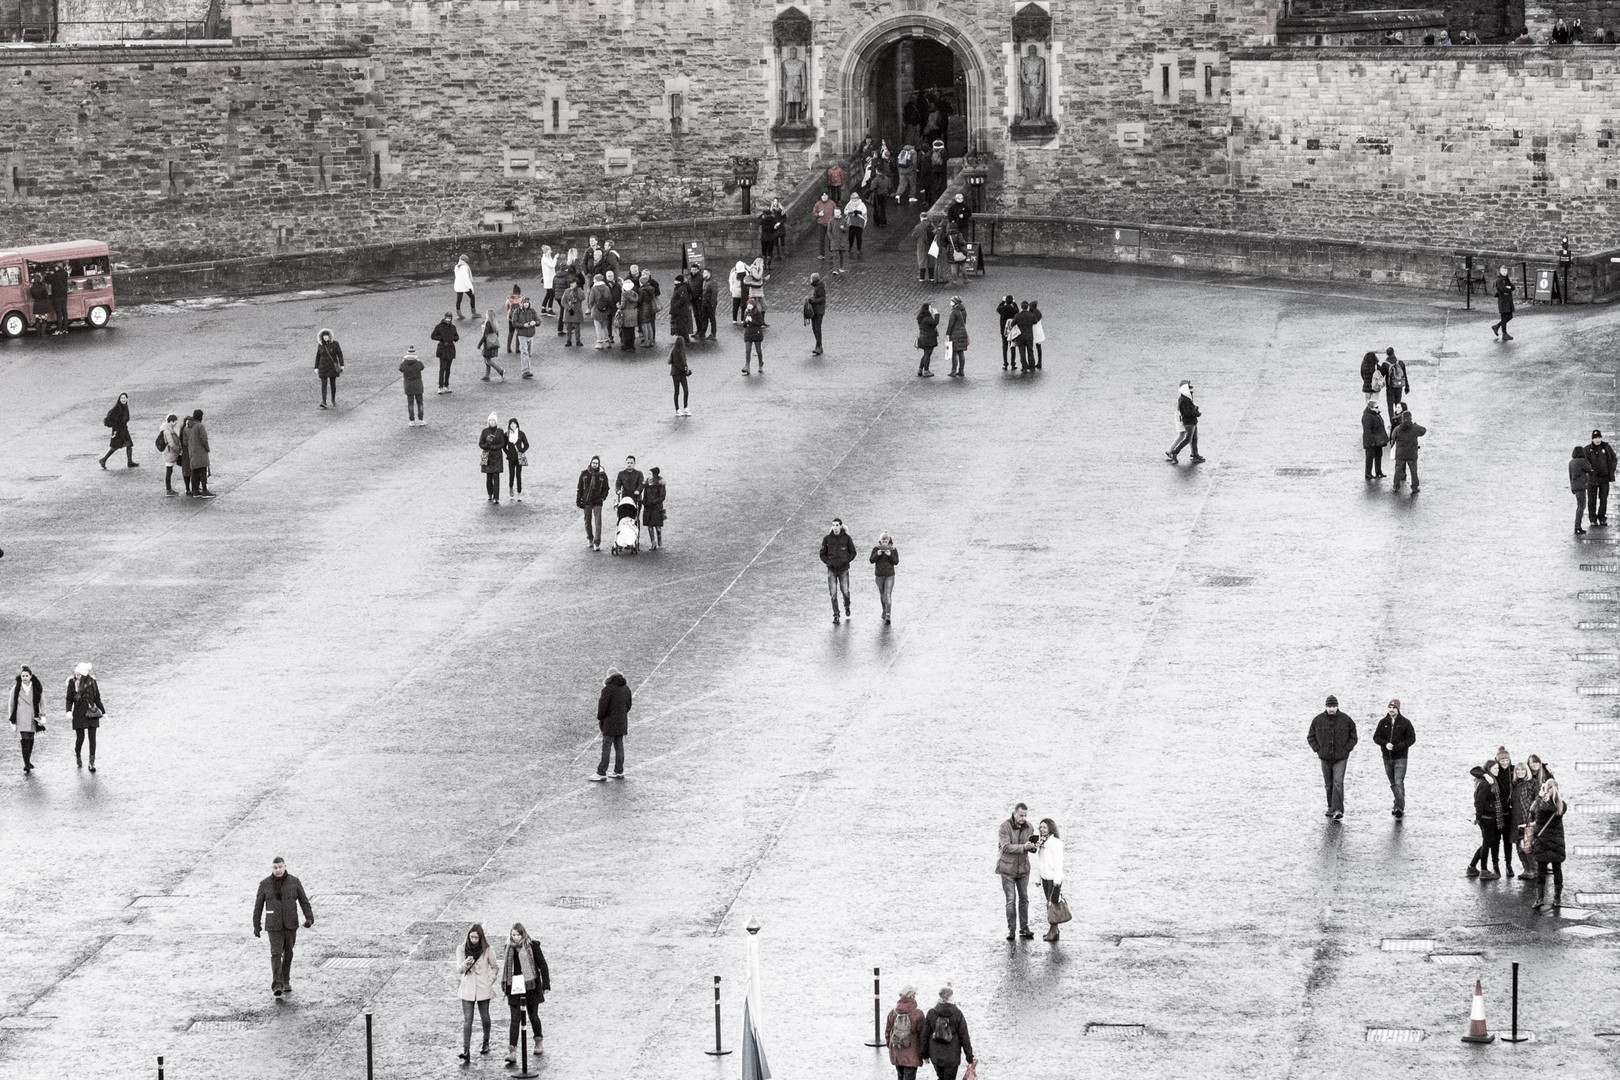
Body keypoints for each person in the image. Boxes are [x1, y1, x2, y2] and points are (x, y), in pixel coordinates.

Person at [252, 856, 314, 998]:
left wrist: (309, 918)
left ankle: (286, 980)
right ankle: (277, 985)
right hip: (273, 926)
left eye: (280, 867)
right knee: (275, 954)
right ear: (272, 868)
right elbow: (258, 906)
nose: (278, 870)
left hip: (291, 924)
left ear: (285, 866)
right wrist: (256, 925)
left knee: (289, 953)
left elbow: (304, 901)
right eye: (275, 867)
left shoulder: (294, 882)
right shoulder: (264, 884)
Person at [500, 924, 550, 1062]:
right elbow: (506, 969)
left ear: (523, 934)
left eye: (517, 935)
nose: (515, 937)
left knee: (533, 1015)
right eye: (513, 935)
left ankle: (538, 1040)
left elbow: (542, 965)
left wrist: (546, 985)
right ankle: (512, 1051)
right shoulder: (508, 948)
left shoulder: (532, 946)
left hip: (531, 986)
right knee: (515, 1019)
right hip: (514, 987)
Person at [1307, 695, 1356, 820]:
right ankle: (1330, 807)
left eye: (1333, 706)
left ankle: (1338, 810)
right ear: (1326, 707)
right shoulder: (1317, 720)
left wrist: (1346, 749)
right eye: (1329, 706)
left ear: (1337, 706)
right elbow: (1310, 737)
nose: (1331, 709)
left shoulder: (1346, 720)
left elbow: (1353, 737)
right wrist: (1318, 750)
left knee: (1338, 783)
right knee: (1328, 784)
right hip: (1325, 758)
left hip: (1341, 758)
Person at [996, 802, 1037, 941]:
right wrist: (1024, 847)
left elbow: (1030, 849)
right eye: (1021, 815)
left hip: (1023, 869)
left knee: (1024, 899)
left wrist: (1033, 847)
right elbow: (1006, 847)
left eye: (1025, 815)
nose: (1023, 818)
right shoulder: (1004, 827)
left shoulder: (1029, 827)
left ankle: (1024, 928)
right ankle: (1011, 930)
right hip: (1007, 869)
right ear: (1014, 813)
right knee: (1011, 900)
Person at [457, 923, 498, 1062]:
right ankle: (466, 1050)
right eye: (471, 937)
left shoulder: (487, 950)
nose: (473, 940)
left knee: (485, 1016)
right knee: (468, 1019)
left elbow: (495, 967)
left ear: (481, 938)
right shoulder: (461, 949)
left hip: (482, 987)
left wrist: (489, 981)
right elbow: (459, 970)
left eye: (476, 937)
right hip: (467, 988)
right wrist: (466, 964)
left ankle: (486, 1042)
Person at [1371, 699, 1415, 817]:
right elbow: (1376, 737)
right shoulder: (1383, 722)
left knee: (1398, 781)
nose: (1391, 710)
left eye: (1394, 707)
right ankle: (1398, 801)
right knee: (1393, 783)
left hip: (1401, 757)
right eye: (1389, 707)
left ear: (1398, 709)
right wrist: (1385, 744)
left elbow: (1412, 738)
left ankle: (1399, 807)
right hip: (1387, 757)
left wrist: (1401, 746)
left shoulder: (1405, 722)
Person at [1529, 778, 1566, 910]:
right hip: (1557, 842)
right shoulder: (1562, 805)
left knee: (1541, 871)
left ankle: (1540, 899)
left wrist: (1539, 796)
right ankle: (1557, 898)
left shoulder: (1540, 804)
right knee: (1557, 870)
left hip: (1543, 841)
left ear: (1546, 790)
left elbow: (1532, 811)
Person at [924, 987, 975, 1080]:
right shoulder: (957, 1013)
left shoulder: (931, 1013)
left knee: (940, 1077)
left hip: (935, 1054)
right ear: (951, 998)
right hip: (952, 1055)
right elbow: (964, 1037)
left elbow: (924, 1035)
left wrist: (924, 1055)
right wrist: (969, 1057)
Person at [592, 667, 631, 780]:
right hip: (622, 722)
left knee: (606, 747)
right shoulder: (626, 688)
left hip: (609, 723)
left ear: (609, 677)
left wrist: (601, 718)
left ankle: (601, 772)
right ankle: (619, 771)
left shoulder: (608, 689)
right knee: (619, 746)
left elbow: (602, 707)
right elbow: (628, 705)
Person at [1467, 760, 1504, 880]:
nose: (1498, 770)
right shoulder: (1486, 783)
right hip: (1486, 818)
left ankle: (1472, 867)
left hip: (1490, 817)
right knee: (1487, 844)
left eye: (1498, 768)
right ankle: (1483, 870)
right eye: (1495, 769)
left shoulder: (1492, 780)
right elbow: (1479, 802)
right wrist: (1478, 818)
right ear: (1488, 770)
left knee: (1487, 843)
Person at [64, 662, 103, 772]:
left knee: (92, 739)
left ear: (85, 675)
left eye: (79, 674)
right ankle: (78, 755)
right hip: (78, 713)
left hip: (91, 713)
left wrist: (103, 711)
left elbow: (97, 698)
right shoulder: (72, 683)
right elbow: (69, 699)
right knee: (80, 738)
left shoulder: (92, 682)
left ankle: (91, 762)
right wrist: (68, 711)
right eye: (76, 673)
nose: (77, 676)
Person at [885, 987, 927, 1080]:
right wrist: (924, 1053)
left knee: (900, 1076)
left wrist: (891, 1047)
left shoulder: (892, 1013)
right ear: (912, 996)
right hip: (911, 1052)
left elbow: (888, 1032)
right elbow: (923, 1035)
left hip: (896, 1050)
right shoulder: (918, 1014)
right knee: (910, 1076)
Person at [9, 665, 44, 775]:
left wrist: (43, 715)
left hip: (33, 716)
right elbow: (11, 704)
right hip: (21, 717)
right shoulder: (16, 688)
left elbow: (42, 702)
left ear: (30, 676)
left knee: (31, 739)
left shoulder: (36, 687)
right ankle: (26, 763)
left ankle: (28, 760)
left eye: (26, 676)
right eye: (23, 675)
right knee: (25, 739)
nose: (24, 678)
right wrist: (11, 719)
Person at [820, 518, 856, 624]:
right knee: (833, 593)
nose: (835, 527)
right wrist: (828, 562)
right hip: (832, 570)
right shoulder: (827, 539)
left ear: (840, 526)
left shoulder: (847, 539)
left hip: (843, 569)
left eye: (837, 525)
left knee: (845, 591)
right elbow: (822, 553)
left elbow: (853, 552)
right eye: (833, 525)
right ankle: (836, 614)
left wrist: (846, 560)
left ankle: (847, 605)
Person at [1033, 817, 1064, 941]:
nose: (1042, 829)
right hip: (1045, 878)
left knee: (1052, 904)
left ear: (1050, 828)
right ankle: (1054, 930)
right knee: (1049, 904)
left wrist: (1057, 880)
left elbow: (1059, 862)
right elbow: (1040, 862)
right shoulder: (1042, 843)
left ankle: (1053, 930)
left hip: (1053, 879)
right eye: (1040, 827)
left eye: (1044, 827)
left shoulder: (1056, 843)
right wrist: (1038, 878)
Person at [1492, 746, 1519, 877]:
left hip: (1508, 812)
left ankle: (1508, 865)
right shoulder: (1494, 771)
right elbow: (1476, 771)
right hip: (1496, 813)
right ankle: (1495, 866)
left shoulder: (1513, 770)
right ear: (1497, 761)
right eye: (1502, 760)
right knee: (1495, 841)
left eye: (1507, 760)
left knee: (1508, 841)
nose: (1505, 763)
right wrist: (1485, 774)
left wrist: (1545, 765)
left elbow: (1529, 767)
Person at [1165, 381, 1204, 464]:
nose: (1191, 390)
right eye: (1189, 388)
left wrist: (1195, 410)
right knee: (1188, 439)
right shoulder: (1185, 399)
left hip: (1191, 422)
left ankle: (1195, 455)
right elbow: (1187, 412)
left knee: (1193, 439)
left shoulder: (1186, 398)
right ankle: (1175, 452)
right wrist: (1196, 412)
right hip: (1189, 422)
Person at [576, 456, 609, 551]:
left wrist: (603, 497)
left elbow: (606, 488)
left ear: (599, 464)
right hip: (587, 501)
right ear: (590, 463)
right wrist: (579, 501)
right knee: (587, 522)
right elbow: (580, 488)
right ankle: (590, 538)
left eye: (597, 463)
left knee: (598, 522)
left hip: (597, 501)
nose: (595, 465)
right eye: (593, 463)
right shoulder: (584, 474)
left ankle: (597, 542)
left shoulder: (603, 475)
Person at [1391, 409, 1427, 494]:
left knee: (1398, 470)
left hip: (1400, 454)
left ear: (1402, 419)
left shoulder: (1398, 429)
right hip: (1412, 454)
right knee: (1413, 471)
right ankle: (1415, 487)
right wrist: (1415, 424)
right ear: (1411, 418)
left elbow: (1393, 437)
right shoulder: (1415, 428)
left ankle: (1396, 486)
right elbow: (1423, 430)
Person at [99, 393, 139, 469]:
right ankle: (103, 460)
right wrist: (115, 431)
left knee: (129, 445)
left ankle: (129, 462)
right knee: (115, 447)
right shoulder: (117, 408)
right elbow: (112, 418)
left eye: (124, 398)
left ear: (127, 399)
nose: (123, 399)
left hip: (124, 430)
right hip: (118, 431)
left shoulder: (125, 407)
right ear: (119, 399)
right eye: (122, 398)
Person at [1586, 430, 1616, 527]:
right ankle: (1592, 519)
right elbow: (1584, 463)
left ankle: (1602, 517)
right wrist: (1590, 472)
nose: (1597, 440)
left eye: (1599, 437)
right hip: (1592, 479)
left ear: (1601, 438)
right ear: (1592, 439)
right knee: (1592, 499)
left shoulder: (1606, 447)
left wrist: (1611, 469)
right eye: (1595, 438)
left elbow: (1614, 458)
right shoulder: (1587, 449)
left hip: (1604, 478)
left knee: (1603, 499)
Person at [183, 409, 213, 498]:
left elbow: (185, 441)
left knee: (194, 472)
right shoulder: (200, 426)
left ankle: (195, 491)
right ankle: (204, 490)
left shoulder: (187, 427)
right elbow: (204, 439)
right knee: (203, 471)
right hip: (200, 452)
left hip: (191, 452)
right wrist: (207, 448)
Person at [477, 415, 506, 505]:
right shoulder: (485, 431)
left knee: (496, 477)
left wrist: (493, 447)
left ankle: (496, 497)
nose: (492, 422)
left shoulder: (500, 431)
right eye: (490, 420)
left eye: (493, 420)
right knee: (489, 477)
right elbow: (481, 444)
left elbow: (502, 443)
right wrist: (487, 444)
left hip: (497, 456)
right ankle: (490, 494)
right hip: (488, 457)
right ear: (488, 422)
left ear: (496, 422)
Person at [870, 532, 898, 624]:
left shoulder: (893, 549)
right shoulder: (876, 549)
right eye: (883, 540)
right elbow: (871, 560)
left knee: (888, 594)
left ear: (889, 540)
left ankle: (888, 614)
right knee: (882, 595)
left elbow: (896, 562)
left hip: (890, 575)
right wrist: (877, 554)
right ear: (880, 541)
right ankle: (884, 610)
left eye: (886, 540)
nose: (884, 542)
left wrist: (890, 555)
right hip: (879, 576)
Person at [314, 328, 344, 409]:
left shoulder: (335, 344)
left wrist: (342, 365)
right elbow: (318, 356)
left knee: (332, 384)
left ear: (329, 336)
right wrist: (316, 367)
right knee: (323, 385)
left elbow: (339, 354)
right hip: (323, 367)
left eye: (327, 336)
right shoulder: (320, 345)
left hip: (332, 367)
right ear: (322, 337)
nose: (325, 338)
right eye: (324, 336)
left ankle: (333, 400)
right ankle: (324, 402)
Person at [510, 298, 539, 378]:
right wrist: (523, 325)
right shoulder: (517, 311)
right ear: (521, 303)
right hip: (522, 335)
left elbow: (538, 321)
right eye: (524, 302)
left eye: (527, 302)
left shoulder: (532, 311)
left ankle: (528, 370)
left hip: (531, 334)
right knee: (524, 352)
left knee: (529, 353)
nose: (526, 304)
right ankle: (525, 371)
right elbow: (514, 323)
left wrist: (535, 322)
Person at [432, 312, 460, 393]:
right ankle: (440, 386)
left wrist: (454, 338)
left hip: (450, 348)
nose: (448, 320)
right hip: (443, 348)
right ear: (444, 318)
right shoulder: (439, 327)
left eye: (450, 318)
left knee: (448, 369)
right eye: (447, 318)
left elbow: (456, 336)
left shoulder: (453, 327)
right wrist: (441, 338)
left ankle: (446, 385)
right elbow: (433, 336)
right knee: (442, 368)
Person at [503, 418, 528, 503]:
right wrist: (507, 453)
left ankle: (519, 493)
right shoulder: (507, 434)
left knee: (518, 475)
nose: (512, 425)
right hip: (511, 457)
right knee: (511, 474)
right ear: (509, 425)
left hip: (519, 457)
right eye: (511, 424)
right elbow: (504, 446)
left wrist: (522, 451)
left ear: (517, 424)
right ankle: (510, 487)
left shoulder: (521, 434)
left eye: (514, 424)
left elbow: (527, 445)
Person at [399, 345, 426, 426]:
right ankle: (421, 419)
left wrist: (403, 361)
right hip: (418, 385)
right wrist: (418, 360)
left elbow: (400, 369)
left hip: (408, 386)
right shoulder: (418, 363)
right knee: (420, 403)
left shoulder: (404, 364)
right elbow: (422, 367)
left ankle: (412, 420)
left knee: (410, 403)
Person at [1362, 399, 1388, 480]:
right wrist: (1371, 442)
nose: (1378, 409)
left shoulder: (1376, 414)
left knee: (1378, 456)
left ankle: (1378, 471)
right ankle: (1368, 473)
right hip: (1371, 441)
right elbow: (1367, 431)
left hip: (1378, 440)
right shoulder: (1367, 417)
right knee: (1370, 457)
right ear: (1371, 408)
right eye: (1376, 407)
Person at [642, 467, 667, 549]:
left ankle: (659, 537)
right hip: (648, 508)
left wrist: (654, 501)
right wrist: (644, 502)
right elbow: (645, 495)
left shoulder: (660, 485)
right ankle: (653, 543)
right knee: (649, 526)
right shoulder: (646, 484)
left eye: (650, 474)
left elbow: (662, 496)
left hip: (657, 508)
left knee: (657, 527)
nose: (648, 476)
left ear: (654, 475)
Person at [159, 412, 183, 494]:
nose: (176, 424)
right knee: (169, 471)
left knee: (169, 471)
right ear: (171, 421)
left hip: (170, 453)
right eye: (175, 422)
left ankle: (168, 488)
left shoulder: (167, 429)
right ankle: (168, 489)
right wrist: (178, 450)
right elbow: (171, 444)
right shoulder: (167, 431)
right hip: (170, 453)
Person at [1381, 347, 1407, 418]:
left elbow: (1381, 376)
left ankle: (1392, 421)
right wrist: (1407, 386)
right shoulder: (1400, 363)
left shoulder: (1385, 364)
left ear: (1387, 354)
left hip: (1390, 388)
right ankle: (1399, 420)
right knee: (1398, 404)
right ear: (1394, 352)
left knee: (1390, 406)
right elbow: (1404, 375)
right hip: (1399, 387)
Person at [742, 297, 765, 375]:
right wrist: (745, 321)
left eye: (750, 304)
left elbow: (761, 322)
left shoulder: (757, 313)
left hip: (756, 333)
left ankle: (760, 363)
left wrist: (752, 321)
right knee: (748, 350)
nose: (749, 306)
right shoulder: (746, 312)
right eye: (748, 304)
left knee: (758, 350)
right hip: (748, 334)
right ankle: (747, 365)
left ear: (754, 305)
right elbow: (744, 325)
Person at [478, 313, 505, 381]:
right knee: (486, 359)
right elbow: (497, 334)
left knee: (488, 360)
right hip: (493, 343)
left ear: (488, 315)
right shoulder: (495, 323)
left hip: (488, 344)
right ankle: (487, 375)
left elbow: (485, 335)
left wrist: (479, 344)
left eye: (486, 314)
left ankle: (500, 371)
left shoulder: (488, 322)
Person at [945, 296, 968, 378]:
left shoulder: (954, 311)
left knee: (954, 352)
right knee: (961, 352)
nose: (950, 303)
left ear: (955, 303)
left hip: (955, 334)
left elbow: (951, 324)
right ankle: (961, 370)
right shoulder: (963, 310)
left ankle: (953, 371)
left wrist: (948, 334)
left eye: (951, 301)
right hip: (963, 333)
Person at [915, 302, 939, 377]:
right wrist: (936, 314)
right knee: (928, 354)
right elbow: (935, 322)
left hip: (923, 337)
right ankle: (926, 370)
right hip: (929, 338)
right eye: (930, 308)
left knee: (925, 354)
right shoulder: (927, 318)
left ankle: (920, 369)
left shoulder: (921, 317)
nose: (931, 309)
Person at [669, 336, 691, 416]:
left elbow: (684, 362)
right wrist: (685, 371)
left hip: (679, 372)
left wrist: (686, 370)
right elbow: (678, 363)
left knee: (685, 390)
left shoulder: (679, 350)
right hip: (676, 373)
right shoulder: (676, 351)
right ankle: (678, 409)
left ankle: (684, 408)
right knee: (677, 391)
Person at [561, 276, 585, 347]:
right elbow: (563, 301)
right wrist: (568, 308)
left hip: (577, 311)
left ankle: (578, 341)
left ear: (577, 284)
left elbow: (582, 298)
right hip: (569, 312)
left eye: (573, 283)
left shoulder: (579, 291)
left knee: (577, 328)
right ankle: (569, 341)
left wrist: (579, 289)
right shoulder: (567, 291)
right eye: (571, 283)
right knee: (568, 328)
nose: (571, 284)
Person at [1492, 266, 1515, 340]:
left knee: (1510, 316)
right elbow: (1502, 289)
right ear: (1500, 271)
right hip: (1503, 300)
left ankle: (1497, 326)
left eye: (1505, 271)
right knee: (1504, 316)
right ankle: (1504, 333)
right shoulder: (1499, 280)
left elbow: (1513, 287)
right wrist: (1508, 288)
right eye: (1503, 271)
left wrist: (1509, 288)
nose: (1504, 272)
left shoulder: (1507, 279)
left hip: (1508, 300)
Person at [996, 295, 1019, 369]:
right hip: (1012, 330)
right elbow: (1017, 310)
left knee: (1004, 346)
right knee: (1012, 346)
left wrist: (1002, 301)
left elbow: (998, 309)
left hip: (1004, 330)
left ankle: (1005, 363)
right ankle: (1013, 363)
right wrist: (1014, 303)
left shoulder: (1002, 309)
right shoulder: (1013, 309)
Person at [669, 276, 693, 343]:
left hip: (680, 310)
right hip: (679, 310)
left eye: (676, 280)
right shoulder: (679, 287)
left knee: (681, 324)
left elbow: (683, 299)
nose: (674, 282)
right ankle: (683, 338)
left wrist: (676, 305)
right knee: (680, 324)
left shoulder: (681, 288)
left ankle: (684, 339)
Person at [807, 273, 826, 355]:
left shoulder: (819, 287)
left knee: (817, 328)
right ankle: (818, 345)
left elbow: (822, 298)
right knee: (815, 328)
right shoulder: (818, 286)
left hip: (818, 311)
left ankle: (818, 346)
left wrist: (813, 301)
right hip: (816, 311)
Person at [845, 191, 867, 258]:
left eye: (855, 198)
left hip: (859, 221)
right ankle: (850, 246)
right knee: (851, 235)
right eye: (853, 198)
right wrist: (849, 212)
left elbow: (865, 211)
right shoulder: (849, 204)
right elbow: (845, 211)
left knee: (859, 236)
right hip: (852, 222)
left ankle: (859, 249)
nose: (854, 199)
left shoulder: (862, 204)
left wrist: (859, 212)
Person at [914, 213, 935, 283]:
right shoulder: (931, 226)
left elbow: (914, 236)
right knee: (931, 261)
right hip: (931, 246)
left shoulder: (918, 227)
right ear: (927, 217)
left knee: (922, 261)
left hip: (921, 246)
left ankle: (922, 277)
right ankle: (931, 277)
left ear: (921, 217)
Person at [49, 262, 69, 332]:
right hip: (64, 295)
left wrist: (50, 273)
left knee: (59, 313)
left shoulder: (54, 275)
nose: (55, 268)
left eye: (55, 267)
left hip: (57, 296)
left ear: (58, 267)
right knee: (64, 312)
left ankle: (59, 328)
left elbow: (46, 279)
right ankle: (66, 329)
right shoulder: (65, 274)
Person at [700, 268, 720, 340]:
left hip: (710, 304)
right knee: (704, 318)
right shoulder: (705, 281)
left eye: (704, 273)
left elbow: (714, 294)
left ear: (709, 273)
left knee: (712, 318)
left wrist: (712, 303)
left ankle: (713, 333)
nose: (703, 274)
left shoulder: (713, 282)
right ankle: (703, 332)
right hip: (704, 303)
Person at [539, 247, 558, 314]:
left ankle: (543, 308)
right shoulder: (545, 259)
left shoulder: (547, 258)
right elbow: (552, 265)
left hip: (549, 278)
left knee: (548, 294)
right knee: (551, 294)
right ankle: (550, 309)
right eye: (550, 250)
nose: (551, 251)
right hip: (549, 279)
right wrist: (555, 258)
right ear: (547, 251)